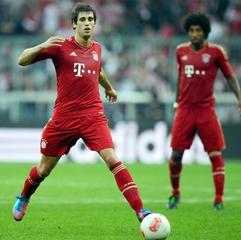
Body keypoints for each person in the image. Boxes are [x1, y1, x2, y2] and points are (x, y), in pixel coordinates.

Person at [12, 3, 151, 222]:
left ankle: (141, 210)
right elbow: (22, 60)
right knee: (43, 170)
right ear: (74, 24)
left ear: (95, 23)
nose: (87, 24)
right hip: (64, 118)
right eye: (83, 20)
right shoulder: (59, 46)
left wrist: (108, 87)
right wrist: (42, 46)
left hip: (92, 116)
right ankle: (23, 197)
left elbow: (97, 70)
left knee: (113, 159)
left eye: (90, 20)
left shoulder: (97, 49)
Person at [167, 13, 241, 211]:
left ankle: (218, 199)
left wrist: (240, 98)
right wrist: (176, 100)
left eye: (198, 30)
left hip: (206, 110)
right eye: (191, 30)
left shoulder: (216, 53)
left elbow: (230, 76)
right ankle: (175, 194)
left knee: (214, 154)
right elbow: (180, 77)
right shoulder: (181, 51)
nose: (194, 34)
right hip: (184, 110)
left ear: (205, 32)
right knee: (176, 155)